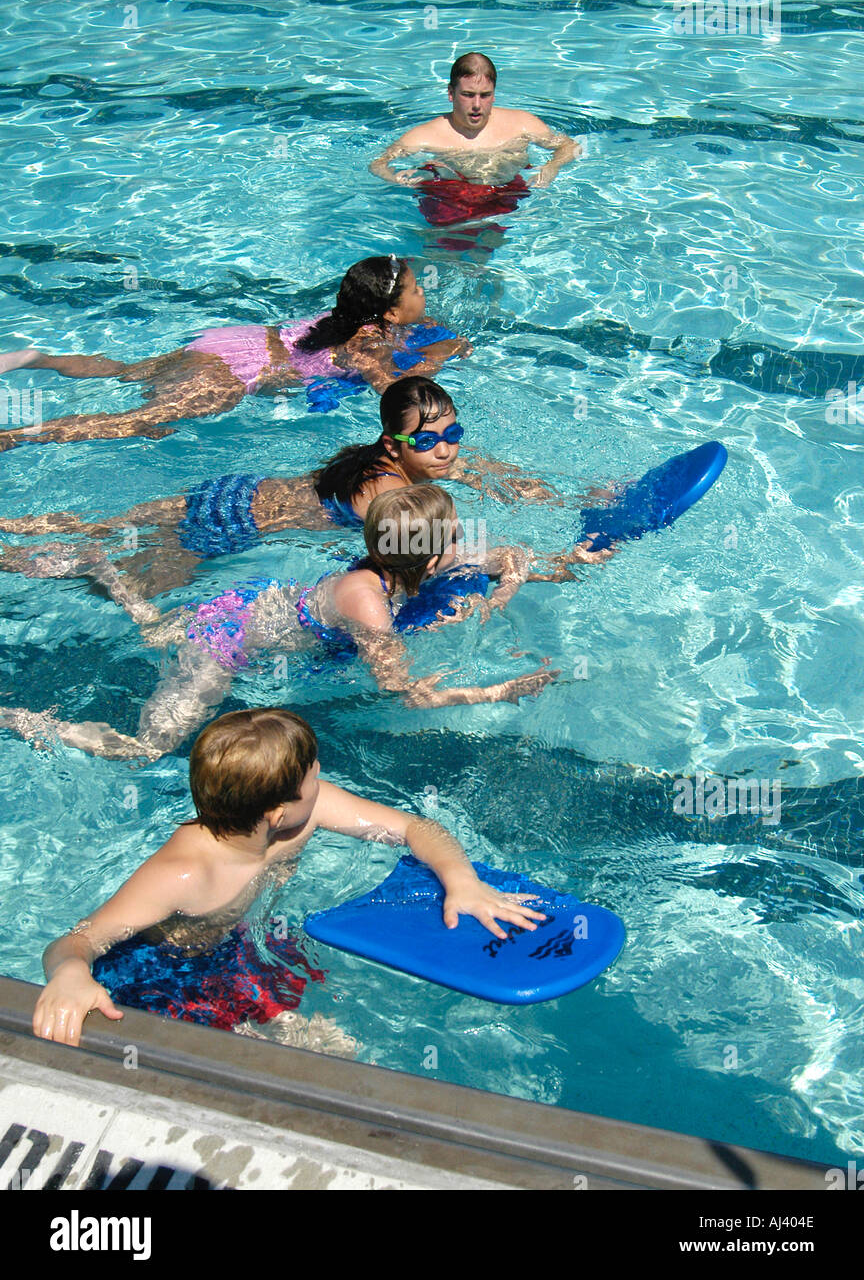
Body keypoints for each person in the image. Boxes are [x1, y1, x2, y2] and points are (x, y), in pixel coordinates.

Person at [31, 706, 547, 1047]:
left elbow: (416, 827)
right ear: (277, 812)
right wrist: (71, 974)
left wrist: (461, 880)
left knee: (336, 1048)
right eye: (313, 778)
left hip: (242, 948)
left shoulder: (302, 818)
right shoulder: (183, 873)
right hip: (163, 973)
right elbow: (76, 941)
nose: (321, 783)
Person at [0, 484, 558, 763]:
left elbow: (512, 553)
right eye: (454, 536)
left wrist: (504, 591)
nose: (464, 544)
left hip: (251, 605)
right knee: (146, 751)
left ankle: (100, 569)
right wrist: (496, 691)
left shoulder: (390, 562)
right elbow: (405, 694)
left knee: (153, 628)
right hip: (221, 642)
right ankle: (23, 720)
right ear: (428, 560)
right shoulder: (368, 604)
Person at [0, 377, 568, 595]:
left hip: (237, 488)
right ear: (393, 445)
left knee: (101, 526)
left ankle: (12, 530)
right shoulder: (387, 495)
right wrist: (536, 562)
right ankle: (10, 558)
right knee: (103, 571)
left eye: (454, 434)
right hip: (233, 524)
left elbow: (478, 470)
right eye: (428, 441)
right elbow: (434, 554)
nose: (446, 450)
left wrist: (545, 492)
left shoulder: (392, 461)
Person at [0, 257, 468, 452]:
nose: (424, 292)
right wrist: (439, 359)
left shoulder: (349, 316)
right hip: (231, 372)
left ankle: (37, 359)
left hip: (232, 341)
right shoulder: (366, 343)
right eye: (416, 289)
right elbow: (397, 396)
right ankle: (15, 437)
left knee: (126, 372)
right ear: (389, 311)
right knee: (137, 421)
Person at [370, 52, 580, 202]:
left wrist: (551, 168)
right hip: (449, 200)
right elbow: (378, 164)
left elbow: (569, 146)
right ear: (451, 93)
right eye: (468, 95)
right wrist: (397, 178)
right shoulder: (424, 136)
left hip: (507, 193)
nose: (477, 105)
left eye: (485, 95)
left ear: (494, 94)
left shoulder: (522, 124)